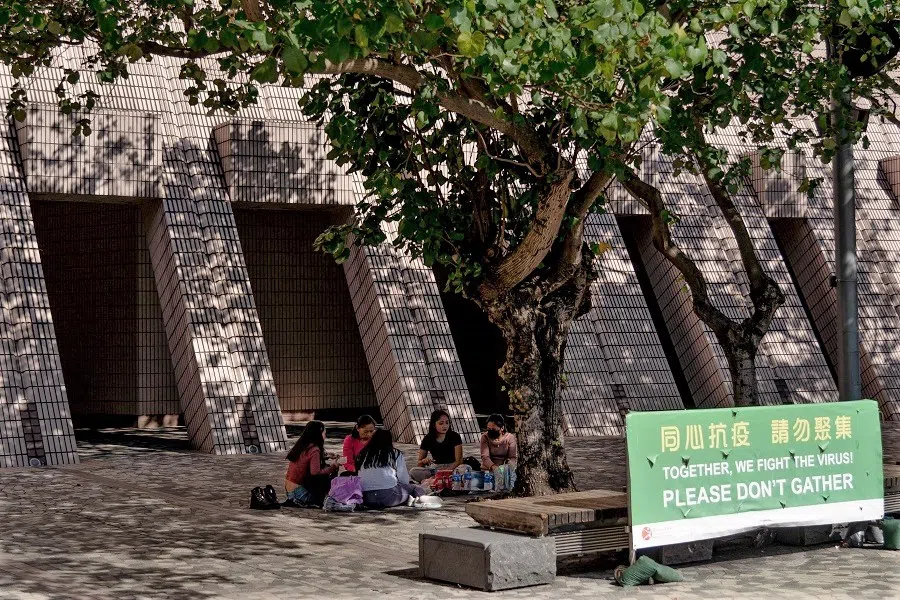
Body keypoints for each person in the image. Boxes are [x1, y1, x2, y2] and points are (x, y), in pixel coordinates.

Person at [357, 429, 425, 508]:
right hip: (388, 497)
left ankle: (409, 499)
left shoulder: (363, 454)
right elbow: (404, 480)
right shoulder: (394, 453)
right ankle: (420, 500)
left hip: (366, 498)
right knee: (415, 488)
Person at [284, 420, 340, 506]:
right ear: (319, 434)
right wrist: (333, 467)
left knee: (324, 470)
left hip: (290, 493)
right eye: (324, 433)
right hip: (300, 494)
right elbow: (315, 472)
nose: (325, 436)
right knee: (325, 475)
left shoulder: (302, 445)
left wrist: (327, 455)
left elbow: (306, 458)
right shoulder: (315, 450)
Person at [410, 409, 463, 483]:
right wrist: (424, 461)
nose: (445, 426)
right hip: (436, 469)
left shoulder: (455, 436)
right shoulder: (428, 438)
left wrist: (445, 472)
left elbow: (459, 461)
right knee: (413, 471)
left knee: (466, 469)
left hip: (453, 467)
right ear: (433, 425)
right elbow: (419, 464)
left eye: (447, 423)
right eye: (441, 423)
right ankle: (440, 480)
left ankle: (436, 480)